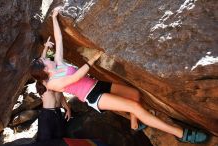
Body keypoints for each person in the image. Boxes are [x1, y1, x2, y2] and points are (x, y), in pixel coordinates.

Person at [30, 7, 208, 144]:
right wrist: (92, 60)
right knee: (134, 106)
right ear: (45, 69)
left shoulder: (58, 63)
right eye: (44, 61)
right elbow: (75, 79)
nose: (47, 58)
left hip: (96, 84)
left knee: (135, 94)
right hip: (92, 96)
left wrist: (54, 17)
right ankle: (180, 134)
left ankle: (134, 124)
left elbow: (59, 40)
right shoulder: (52, 83)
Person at [35, 36, 71, 141]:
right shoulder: (43, 81)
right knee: (45, 141)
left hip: (58, 112)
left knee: (60, 139)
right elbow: (41, 63)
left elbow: (60, 95)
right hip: (47, 115)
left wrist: (67, 108)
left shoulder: (56, 78)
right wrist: (45, 48)